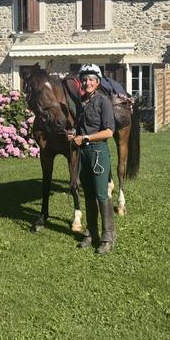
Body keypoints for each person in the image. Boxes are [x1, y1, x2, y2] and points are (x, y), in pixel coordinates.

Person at [68, 63, 116, 255]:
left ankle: (108, 236)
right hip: (84, 154)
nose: (87, 83)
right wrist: (74, 135)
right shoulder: (82, 102)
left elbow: (109, 131)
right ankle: (91, 232)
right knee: (87, 194)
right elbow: (81, 128)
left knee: (101, 195)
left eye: (91, 80)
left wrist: (86, 138)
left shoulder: (103, 101)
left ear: (97, 82)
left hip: (98, 153)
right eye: (85, 79)